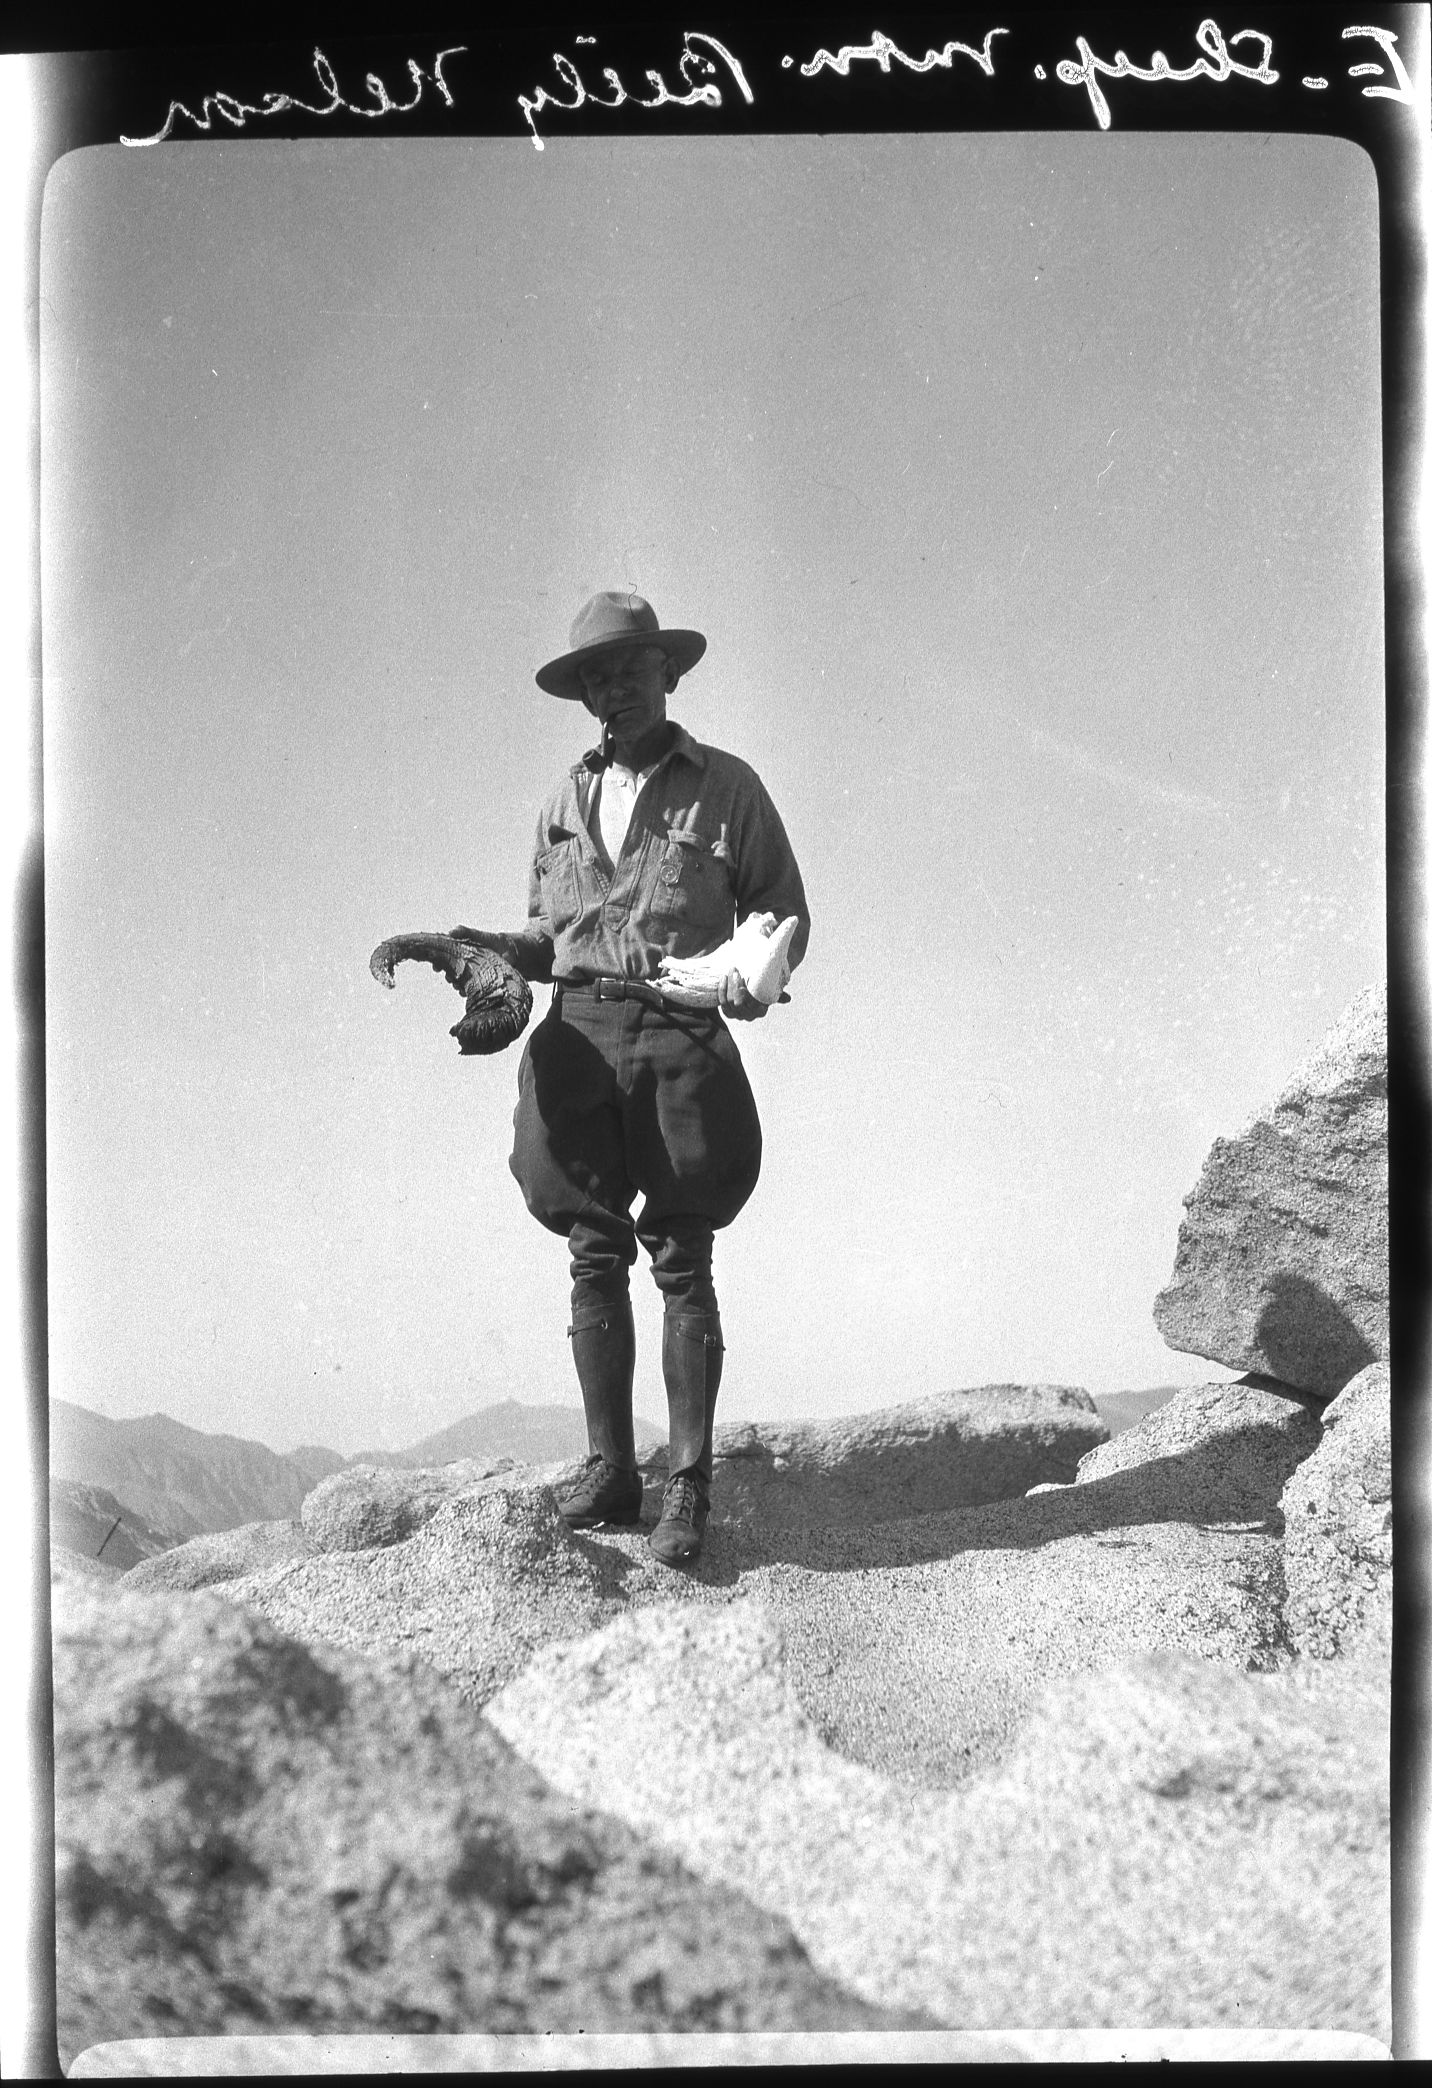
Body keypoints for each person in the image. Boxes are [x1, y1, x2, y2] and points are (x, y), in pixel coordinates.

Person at [453, 591, 809, 1566]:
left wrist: (755, 966)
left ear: (667, 675)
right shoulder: (562, 802)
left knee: (683, 1253)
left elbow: (781, 909)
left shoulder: (727, 788)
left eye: (627, 671)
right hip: (579, 1033)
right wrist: (479, 947)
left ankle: (686, 1489)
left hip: (679, 1029)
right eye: (594, 680)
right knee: (591, 1248)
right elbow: (547, 934)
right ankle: (611, 1468)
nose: (612, 691)